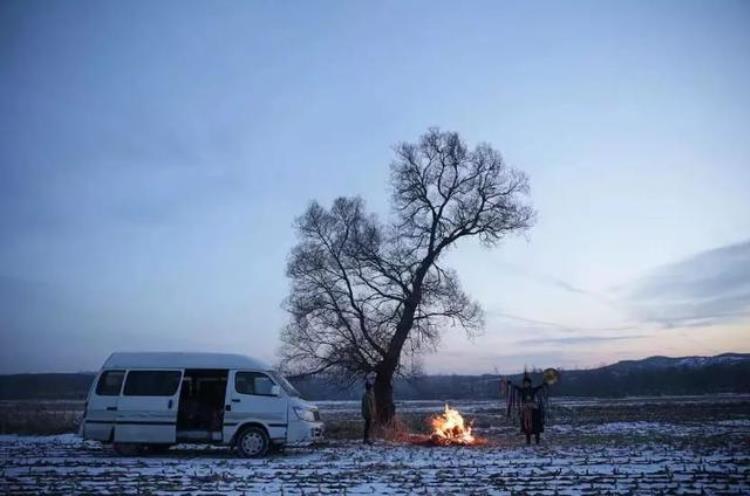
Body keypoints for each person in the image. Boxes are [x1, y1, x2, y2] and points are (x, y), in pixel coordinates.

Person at [506, 371, 548, 445]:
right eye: (525, 383)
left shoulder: (533, 389)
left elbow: (539, 387)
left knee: (536, 424)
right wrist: (510, 384)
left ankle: (537, 441)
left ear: (530, 383)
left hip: (534, 409)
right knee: (526, 425)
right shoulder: (522, 390)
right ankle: (528, 441)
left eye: (527, 383)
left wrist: (544, 384)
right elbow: (515, 387)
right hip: (525, 409)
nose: (526, 384)